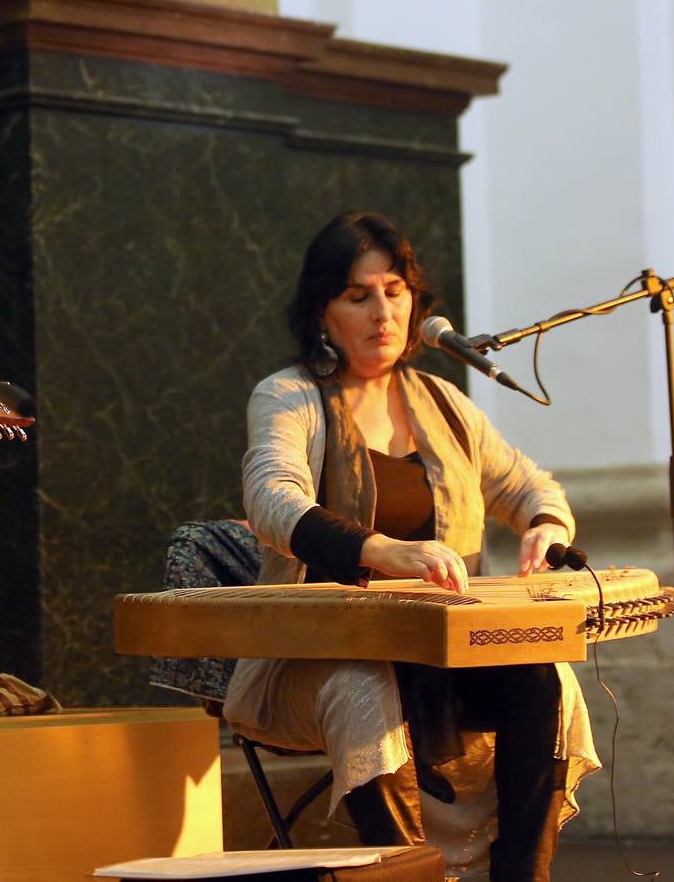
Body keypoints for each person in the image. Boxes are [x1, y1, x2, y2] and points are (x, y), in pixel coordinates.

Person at [222, 212, 600, 881]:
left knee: (545, 678)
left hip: (440, 656)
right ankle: (409, 873)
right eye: (357, 295)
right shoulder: (288, 396)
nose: (383, 312)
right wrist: (382, 550)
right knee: (364, 687)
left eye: (395, 291)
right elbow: (273, 500)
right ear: (322, 312)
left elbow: (527, 484)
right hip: (314, 658)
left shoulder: (444, 402)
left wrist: (547, 524)